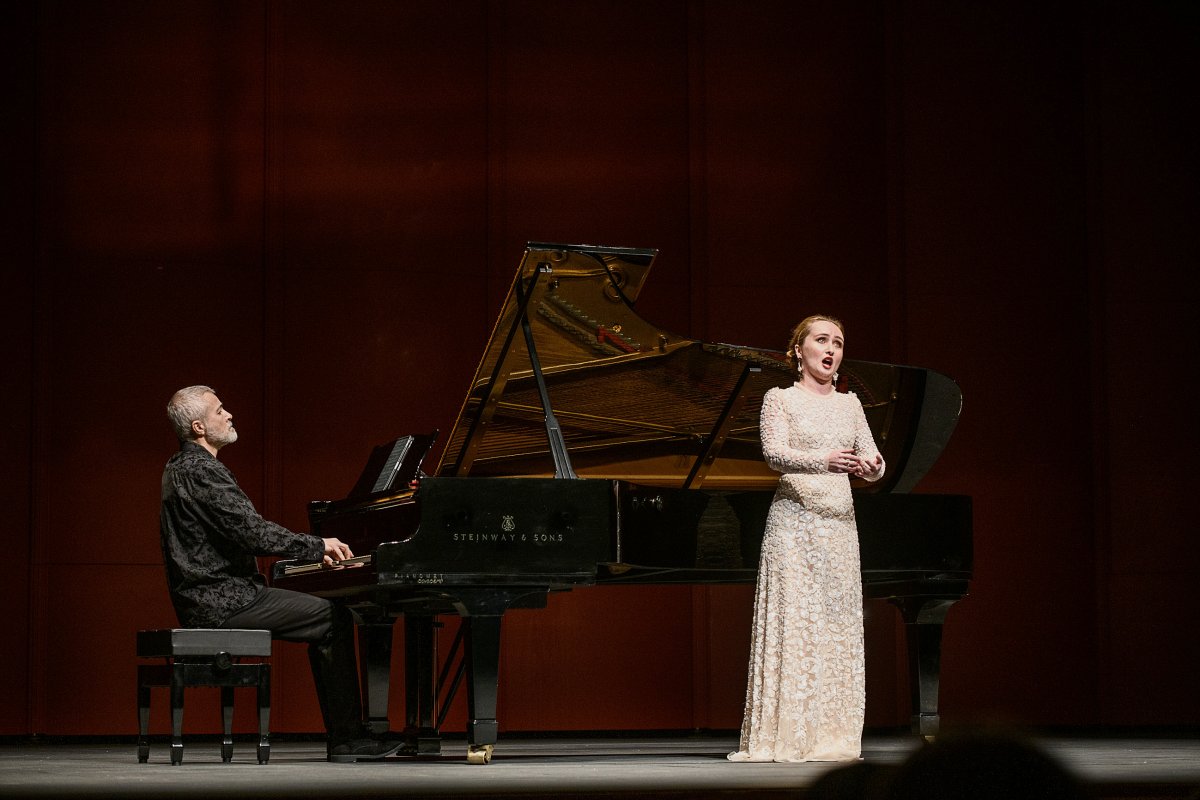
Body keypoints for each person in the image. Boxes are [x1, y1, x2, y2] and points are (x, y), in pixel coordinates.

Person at [160, 385, 402, 763]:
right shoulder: (202, 471)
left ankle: (351, 734)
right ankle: (347, 739)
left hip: (205, 596)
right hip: (224, 599)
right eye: (219, 410)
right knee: (333, 617)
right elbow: (251, 532)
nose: (229, 415)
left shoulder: (179, 468)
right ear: (198, 426)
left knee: (328, 613)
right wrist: (317, 546)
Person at [729, 315, 885, 763]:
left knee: (836, 626)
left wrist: (872, 468)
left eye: (838, 342)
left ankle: (832, 736)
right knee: (796, 623)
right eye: (821, 340)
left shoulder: (851, 404)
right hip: (794, 523)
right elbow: (774, 454)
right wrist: (825, 460)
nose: (831, 349)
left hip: (839, 523)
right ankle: (784, 736)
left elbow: (873, 459)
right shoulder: (779, 399)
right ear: (799, 350)